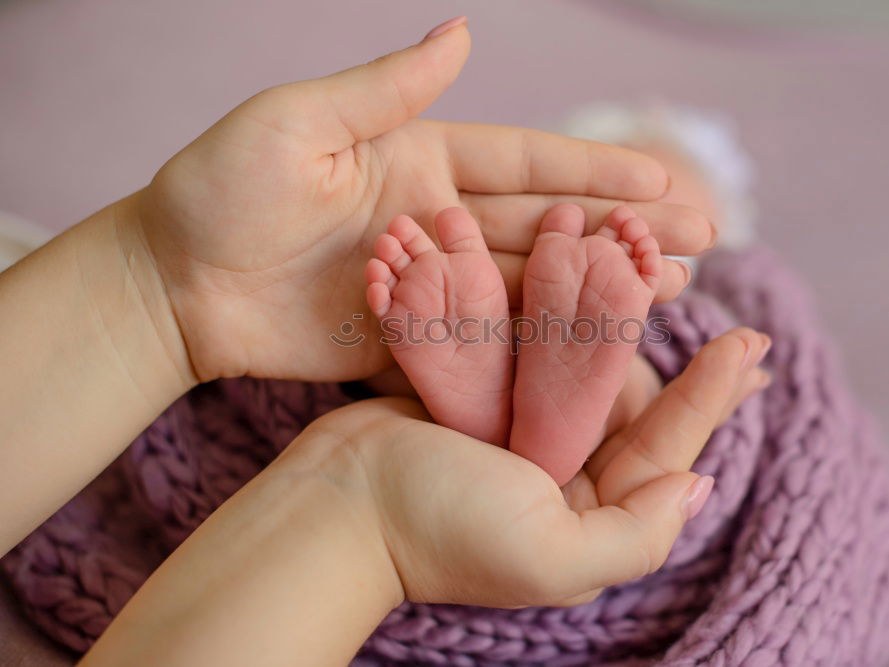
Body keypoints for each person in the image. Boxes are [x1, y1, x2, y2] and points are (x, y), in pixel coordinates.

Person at [0, 16, 769, 664]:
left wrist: (158, 283)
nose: (619, 231)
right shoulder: (489, 260)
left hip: (567, 338)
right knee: (402, 335)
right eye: (590, 208)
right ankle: (515, 392)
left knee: (651, 366)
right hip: (457, 331)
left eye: (678, 259)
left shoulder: (719, 297)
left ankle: (552, 395)